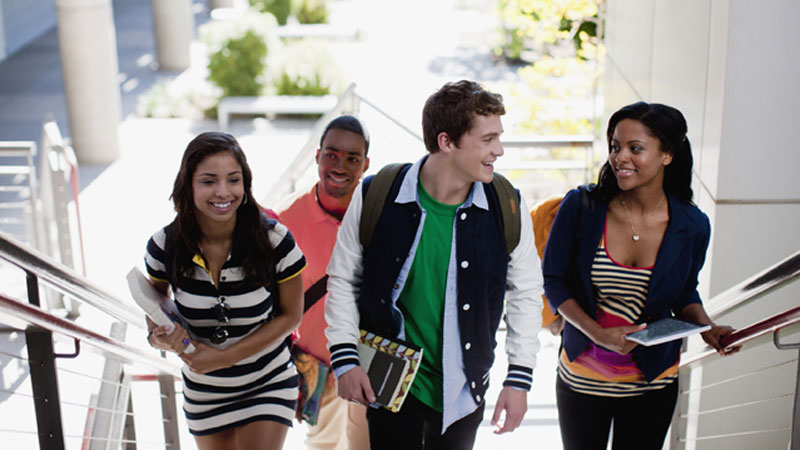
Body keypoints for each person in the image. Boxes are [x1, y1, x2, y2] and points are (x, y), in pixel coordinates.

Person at [324, 80, 544, 449]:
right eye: (487, 140)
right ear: (447, 142)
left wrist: (518, 379)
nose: (499, 150)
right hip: (387, 383)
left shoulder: (506, 204)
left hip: (464, 388)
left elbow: (526, 293)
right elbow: (344, 279)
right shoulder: (378, 194)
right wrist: (345, 359)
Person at [542, 102, 739, 450]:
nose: (620, 158)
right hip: (583, 380)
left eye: (636, 148)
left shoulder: (692, 225)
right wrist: (598, 333)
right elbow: (555, 281)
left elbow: (684, 292)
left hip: (654, 382)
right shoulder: (582, 207)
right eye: (616, 146)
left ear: (667, 155)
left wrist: (708, 327)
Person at [143, 131, 306, 450]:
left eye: (233, 180)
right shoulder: (163, 247)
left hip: (267, 382)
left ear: (245, 185)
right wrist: (159, 337)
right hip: (205, 392)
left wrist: (224, 357)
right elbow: (154, 314)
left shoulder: (276, 241)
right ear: (188, 185)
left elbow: (291, 316)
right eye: (208, 181)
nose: (223, 192)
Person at [277, 115, 371, 450]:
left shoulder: (378, 212)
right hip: (319, 368)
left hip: (368, 362)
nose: (340, 166)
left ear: (366, 164)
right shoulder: (287, 219)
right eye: (331, 155)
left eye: (352, 159)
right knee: (325, 445)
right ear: (317, 156)